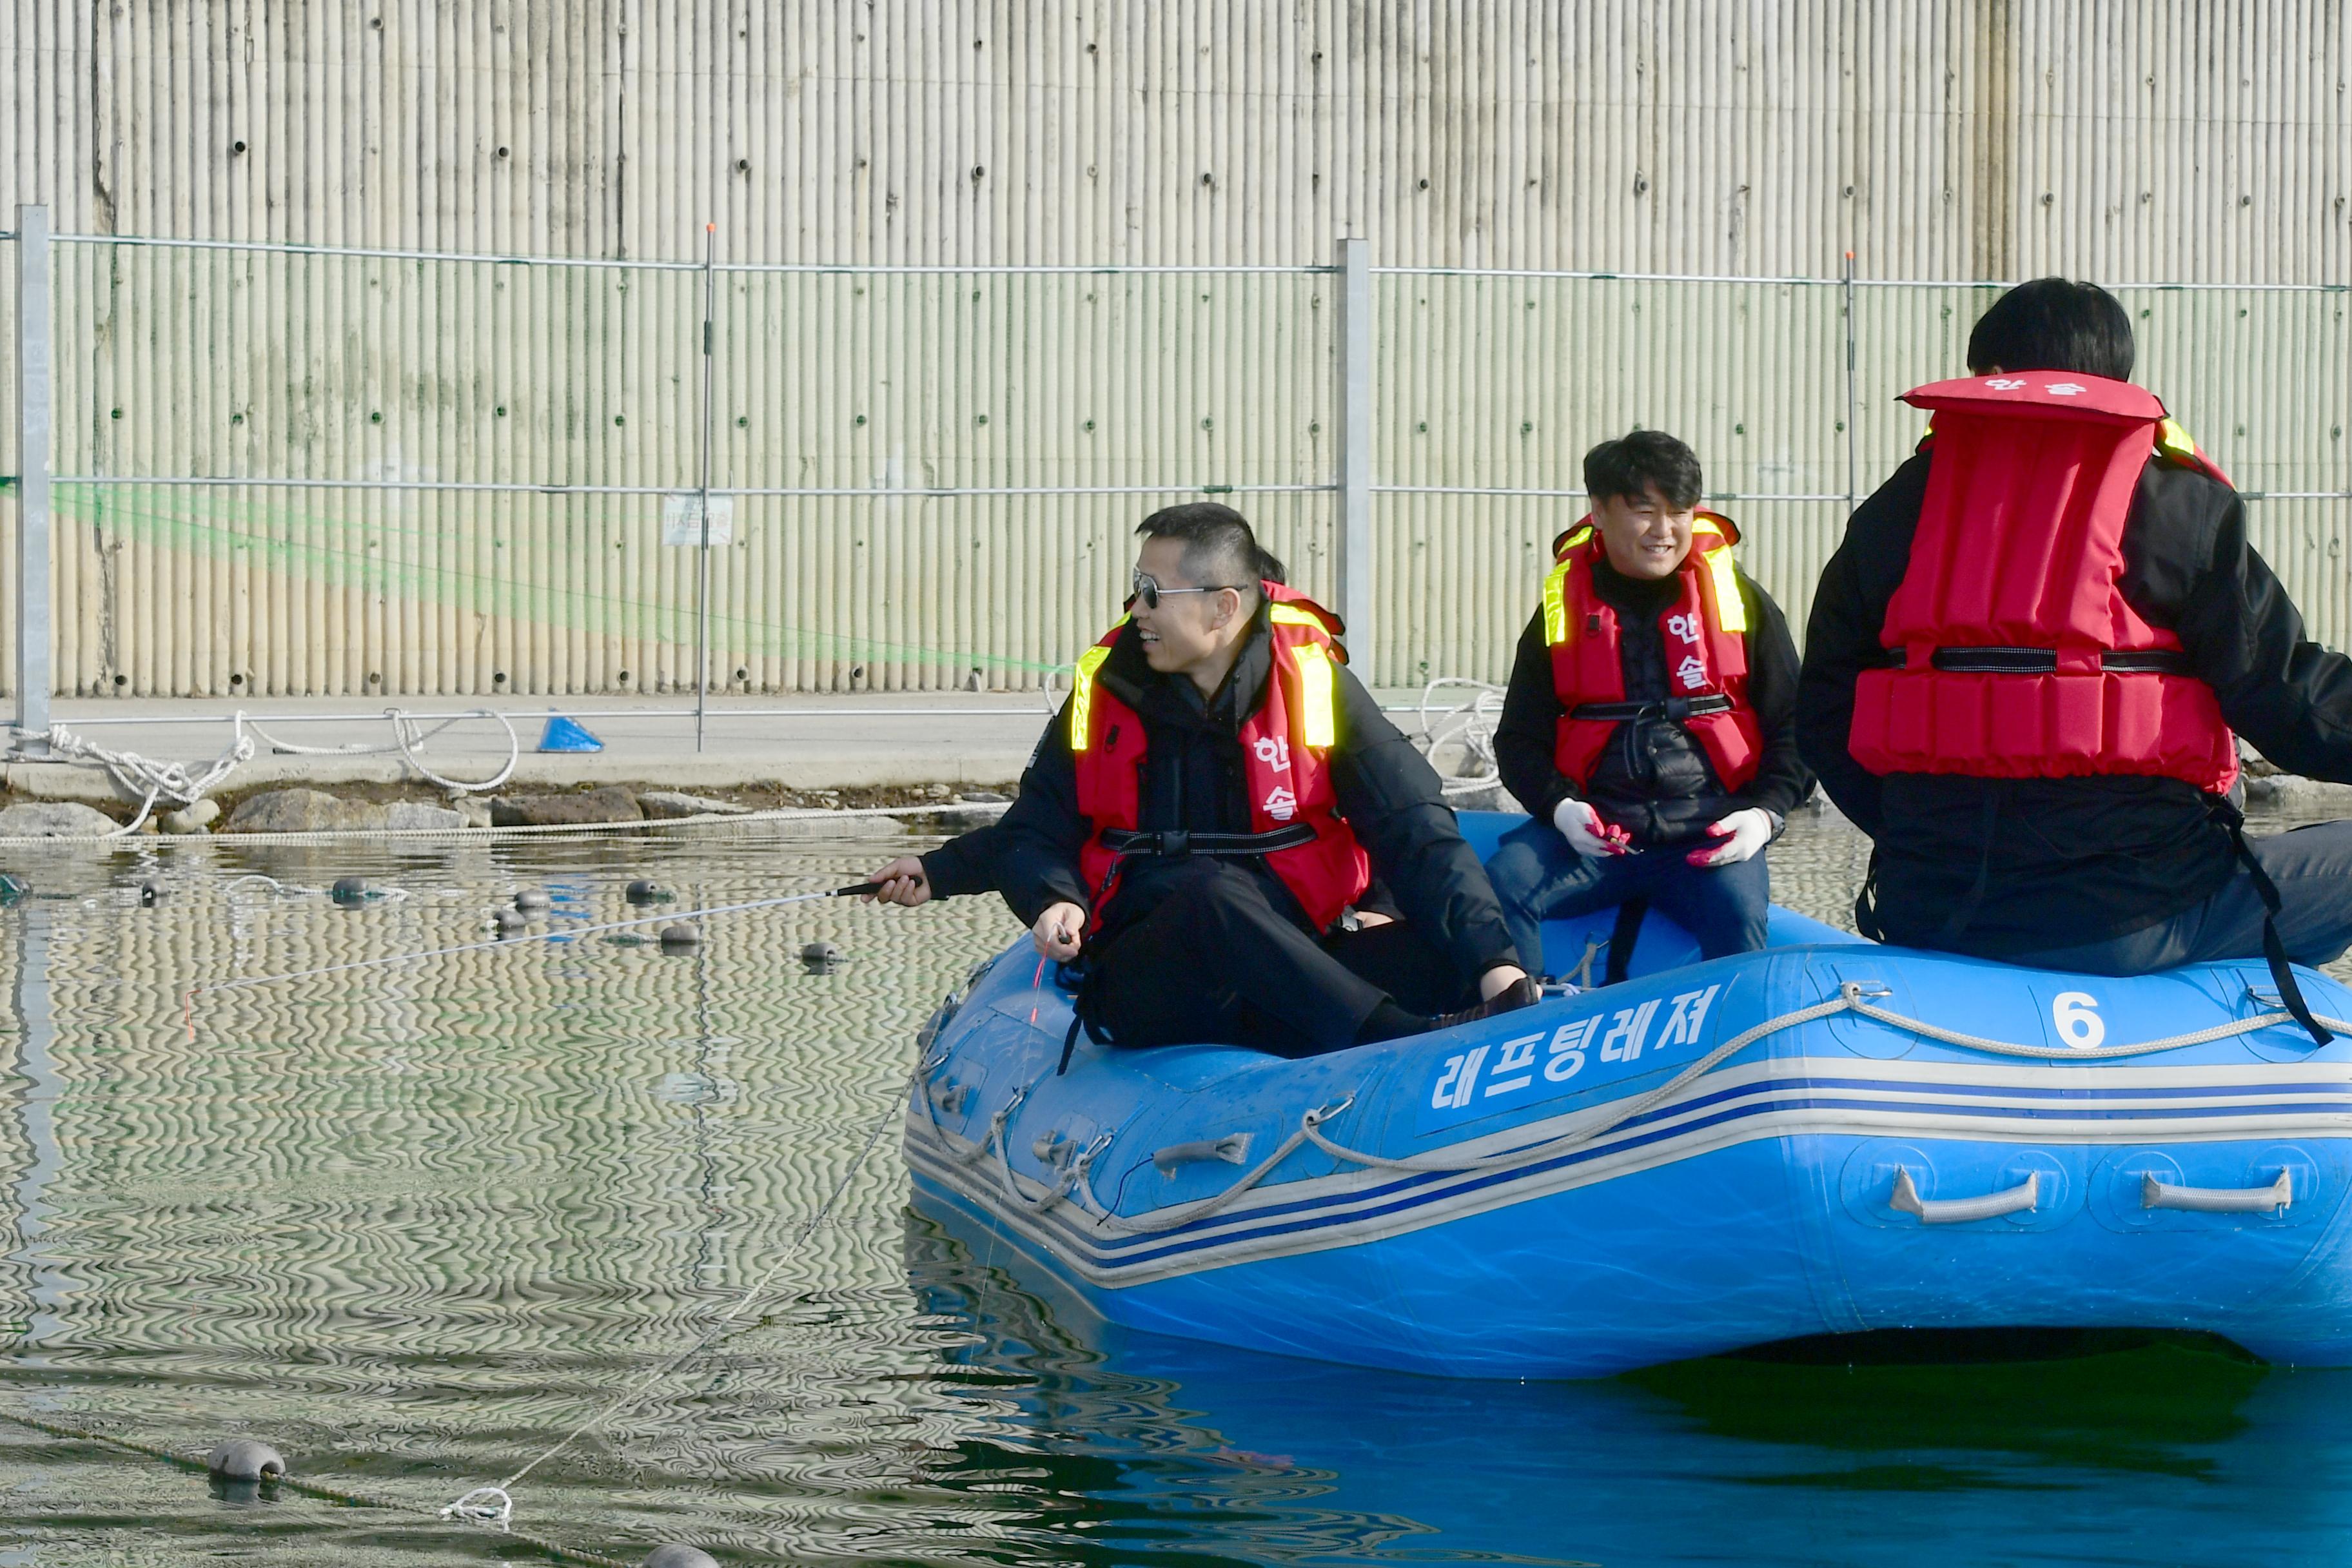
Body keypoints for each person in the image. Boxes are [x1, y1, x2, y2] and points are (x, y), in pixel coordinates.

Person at [1796, 276, 2352, 1034]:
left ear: (1984, 378)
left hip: (1931, 910)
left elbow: (1825, 714)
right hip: (2135, 916)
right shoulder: (2181, 508)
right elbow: (2287, 702)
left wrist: (1916, 838)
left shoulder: (1890, 514)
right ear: (2119, 381)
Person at [979, 502, 1533, 1058]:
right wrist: (1052, 898)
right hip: (1156, 976)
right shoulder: (1104, 692)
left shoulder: (1313, 683)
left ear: (1223, 608)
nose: (1136, 610)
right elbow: (1030, 831)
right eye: (1135, 587)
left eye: (1152, 592)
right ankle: (1390, 1039)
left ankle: (1477, 1023)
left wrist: (1496, 964)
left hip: (1288, 956)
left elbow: (1413, 824)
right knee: (1210, 892)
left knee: (1459, 950)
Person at [1485, 431, 1812, 978]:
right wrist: (1561, 810)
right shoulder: (1560, 611)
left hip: (1706, 839)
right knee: (1501, 885)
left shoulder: (1740, 601)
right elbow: (1518, 740)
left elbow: (1800, 726)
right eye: (1643, 511)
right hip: (1596, 840)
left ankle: (1727, 1047)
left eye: (1679, 511)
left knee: (1737, 912)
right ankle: (1518, 1026)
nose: (1664, 531)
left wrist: (1764, 816)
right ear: (1598, 512)